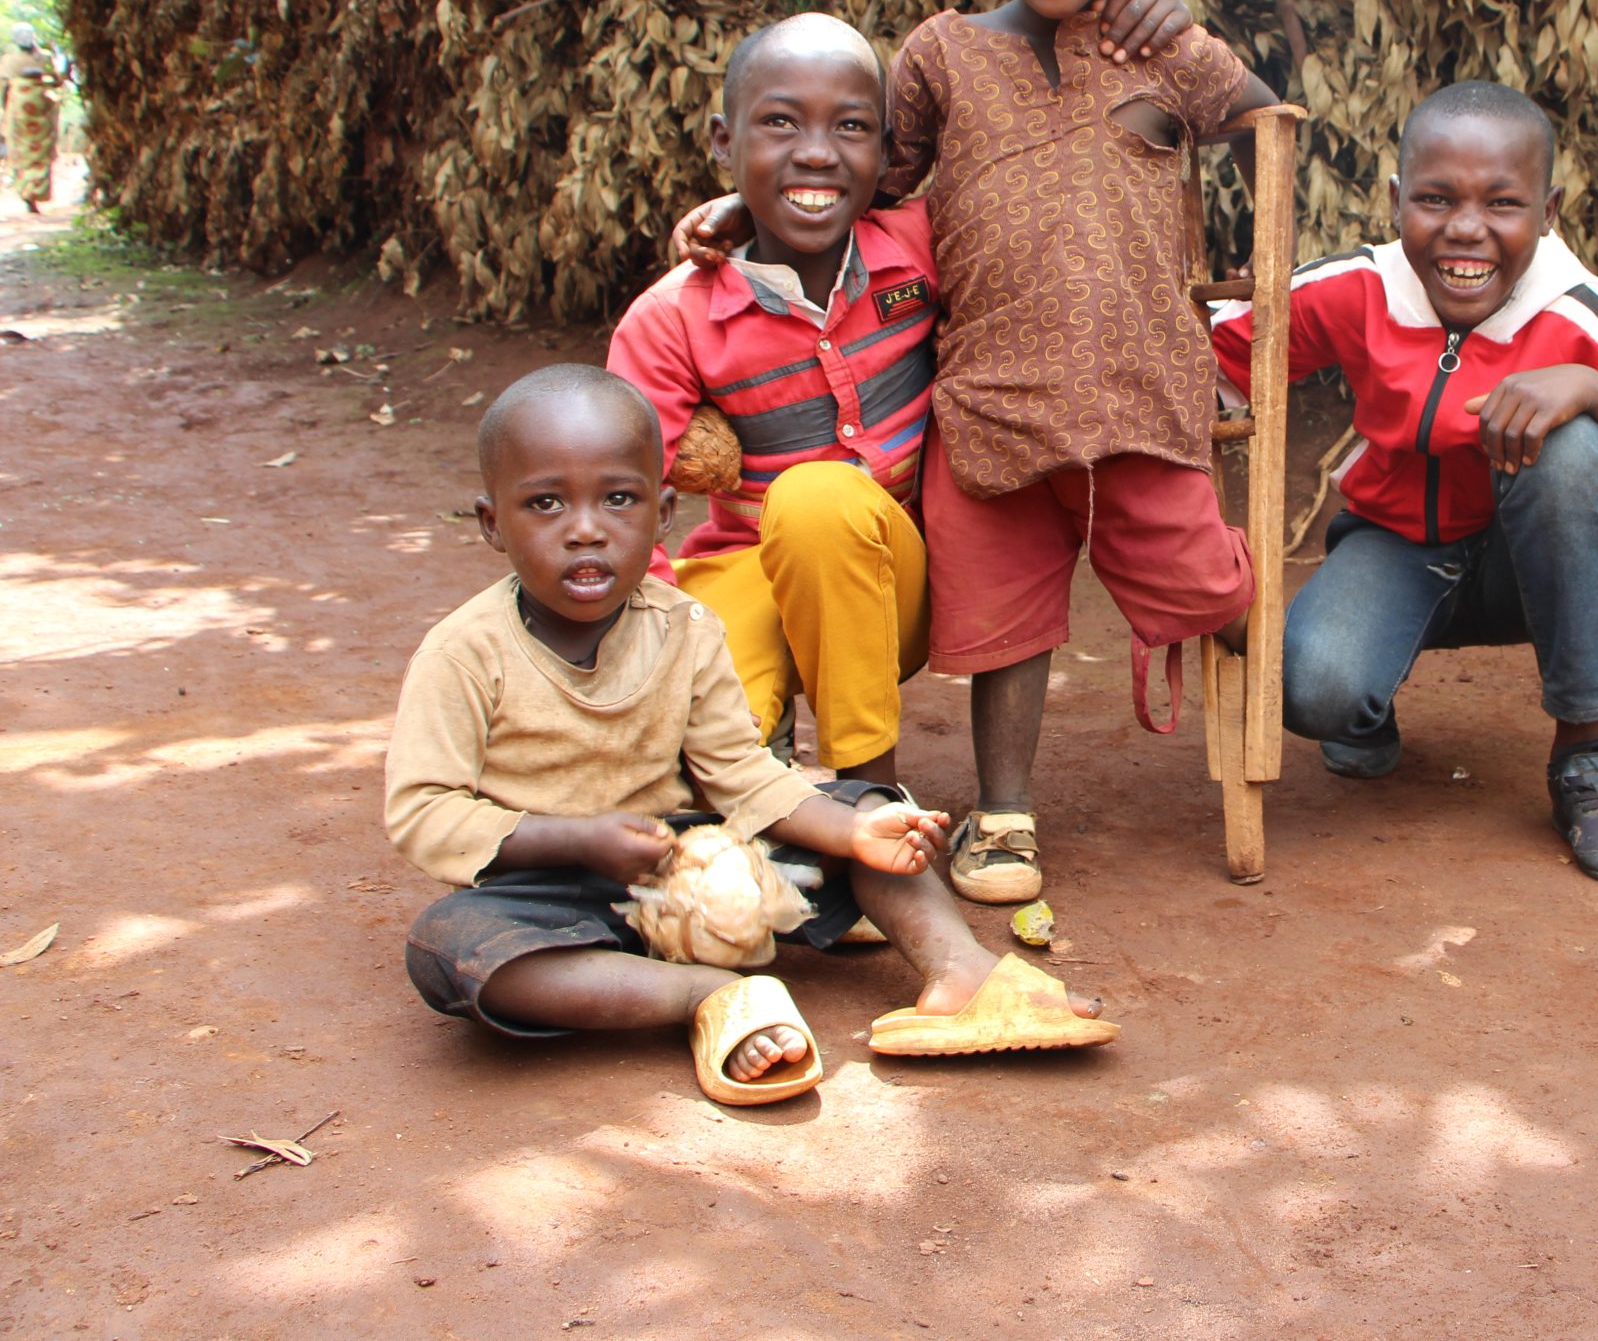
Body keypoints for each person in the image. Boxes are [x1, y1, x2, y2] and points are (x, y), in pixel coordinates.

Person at [678, 0, 1279, 904]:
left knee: (1198, 586)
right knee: (1003, 610)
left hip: (1143, 395)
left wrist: (1187, 27)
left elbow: (1269, 130)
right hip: (992, 405)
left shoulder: (1161, 43)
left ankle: (1259, 603)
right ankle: (1005, 815)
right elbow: (861, 187)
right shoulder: (940, 56)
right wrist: (744, 215)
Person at [385, 365, 1113, 1106]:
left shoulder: (685, 627)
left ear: (663, 510)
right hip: (549, 889)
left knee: (868, 809)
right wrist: (576, 840)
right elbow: (424, 811)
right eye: (545, 503)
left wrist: (850, 831)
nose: (585, 528)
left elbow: (739, 772)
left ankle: (963, 972)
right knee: (450, 947)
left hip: (697, 863)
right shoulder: (464, 654)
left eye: (618, 499)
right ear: (490, 523)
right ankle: (703, 995)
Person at [1208, 82, 1598, 883]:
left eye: (1503, 203)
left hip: (1531, 569)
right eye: (1435, 198)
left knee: (1571, 451)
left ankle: (1585, 758)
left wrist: (1594, 397)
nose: (1465, 229)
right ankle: (1369, 693)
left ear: (1548, 212)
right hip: (1397, 550)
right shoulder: (1359, 287)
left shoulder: (1581, 317)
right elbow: (1213, 355)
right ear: (1394, 202)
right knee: (1313, 690)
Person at [608, 14, 933, 789]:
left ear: (887, 153)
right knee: (702, 760)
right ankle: (763, 778)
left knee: (820, 498)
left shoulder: (923, 249)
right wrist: (651, 657)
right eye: (780, 122)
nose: (816, 151)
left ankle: (866, 792)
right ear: (724, 141)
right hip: (744, 572)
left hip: (896, 584)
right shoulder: (673, 316)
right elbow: (624, 493)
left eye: (851, 126)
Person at [3, 25, 59, 210]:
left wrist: (6, 108)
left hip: (18, 108)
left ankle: (26, 192)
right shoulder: (45, 57)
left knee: (21, 149)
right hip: (41, 107)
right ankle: (35, 191)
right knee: (40, 151)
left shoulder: (8, 60)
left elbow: (3, 88)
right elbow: (57, 80)